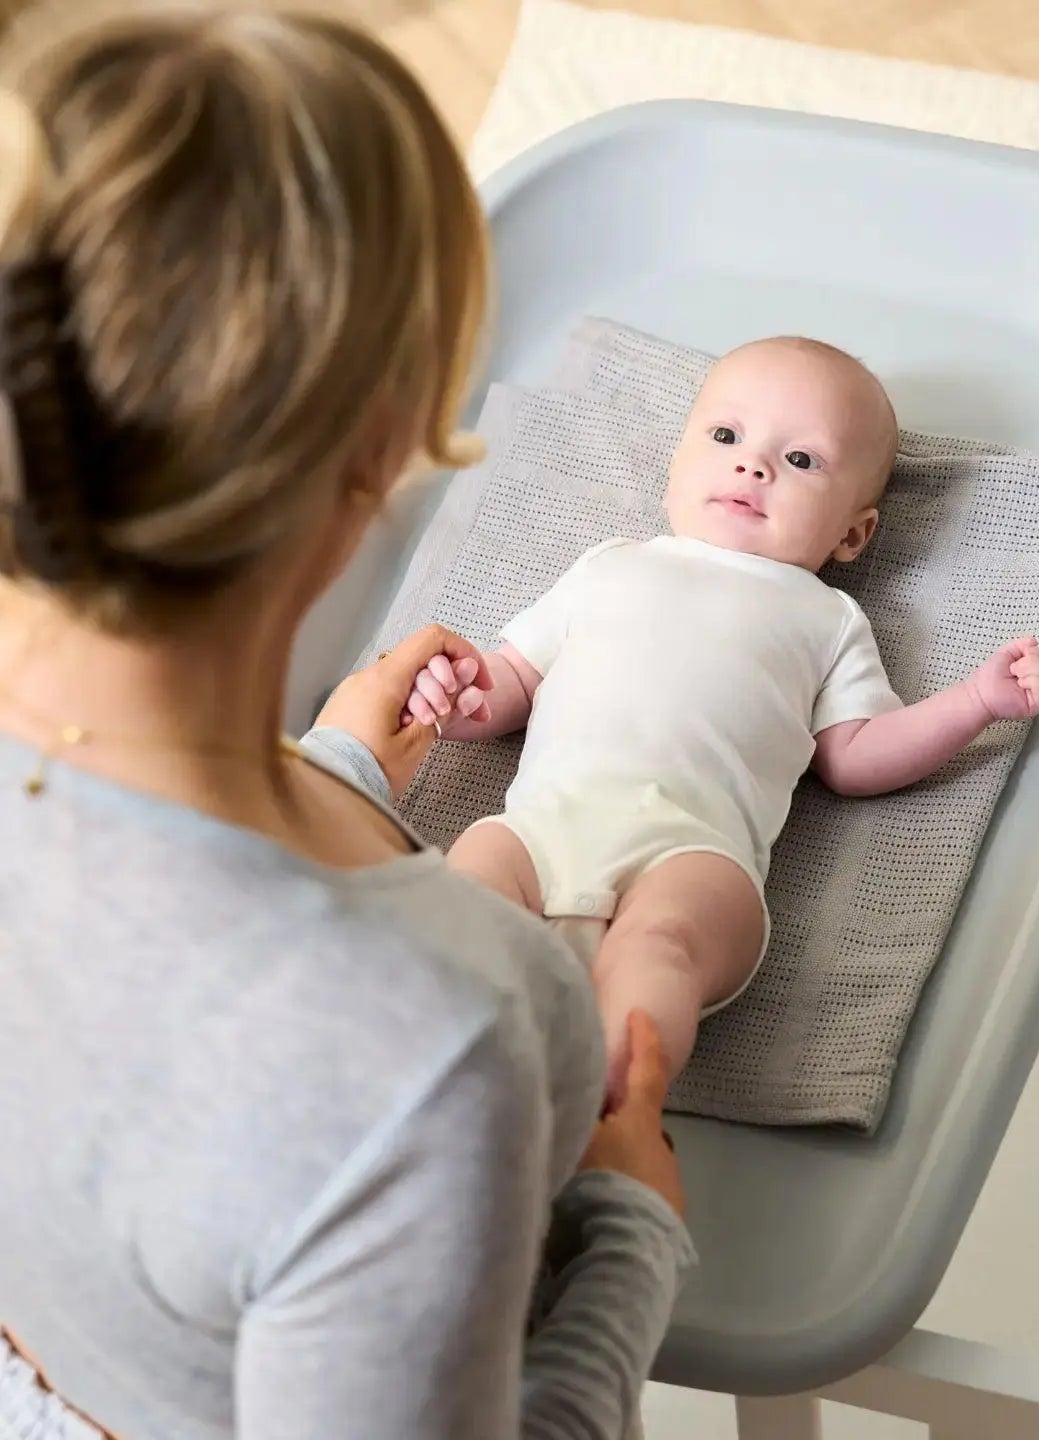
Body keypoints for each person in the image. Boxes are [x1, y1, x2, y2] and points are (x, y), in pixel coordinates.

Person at [0, 7, 689, 1438]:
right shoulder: (424, 1044)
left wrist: (332, 776)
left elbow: (131, 979)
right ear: (382, 441)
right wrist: (627, 1234)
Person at [400, 336, 1039, 1101]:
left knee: (662, 947)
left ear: (853, 533)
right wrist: (457, 699)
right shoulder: (609, 566)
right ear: (676, 464)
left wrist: (974, 703)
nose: (754, 466)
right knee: (464, 901)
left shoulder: (826, 618)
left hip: (694, 853)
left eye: (802, 461)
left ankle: (618, 1097)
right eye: (726, 437)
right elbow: (512, 678)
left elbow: (854, 756)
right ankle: (449, 1071)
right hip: (540, 827)